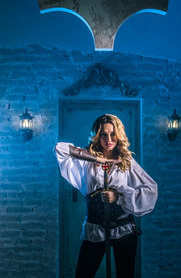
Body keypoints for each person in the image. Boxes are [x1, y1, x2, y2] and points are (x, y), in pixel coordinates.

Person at [55, 114, 158, 278]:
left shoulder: (126, 161)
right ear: (97, 136)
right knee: (83, 274)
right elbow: (60, 148)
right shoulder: (86, 160)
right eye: (103, 134)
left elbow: (150, 189)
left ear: (119, 135)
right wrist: (98, 159)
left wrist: (119, 197)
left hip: (124, 230)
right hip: (95, 229)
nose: (108, 139)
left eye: (113, 134)